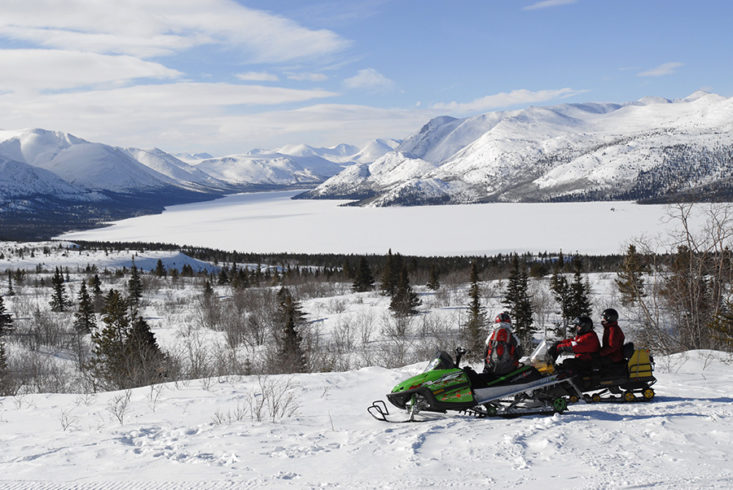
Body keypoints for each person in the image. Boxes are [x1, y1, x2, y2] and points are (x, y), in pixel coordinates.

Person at [483, 312, 523, 377]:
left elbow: (484, 354)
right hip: (510, 370)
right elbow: (520, 354)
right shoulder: (513, 336)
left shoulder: (491, 336)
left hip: (492, 370)